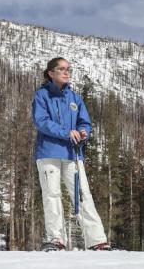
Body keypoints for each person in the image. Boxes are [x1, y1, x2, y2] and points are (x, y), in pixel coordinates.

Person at [32, 57, 110, 251]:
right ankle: (56, 239)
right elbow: (41, 121)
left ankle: (97, 240)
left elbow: (85, 122)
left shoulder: (75, 98)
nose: (66, 72)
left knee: (82, 193)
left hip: (73, 153)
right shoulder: (42, 96)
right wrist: (66, 132)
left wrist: (84, 132)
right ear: (51, 73)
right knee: (52, 194)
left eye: (68, 69)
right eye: (61, 69)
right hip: (49, 151)